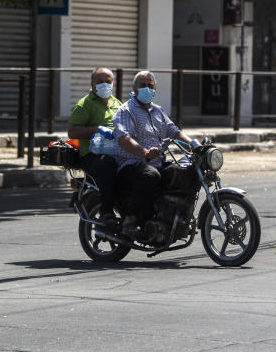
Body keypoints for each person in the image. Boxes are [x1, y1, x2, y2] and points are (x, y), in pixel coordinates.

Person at [112, 70, 194, 238]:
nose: (147, 89)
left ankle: (179, 216)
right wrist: (145, 152)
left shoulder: (158, 111)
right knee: (150, 175)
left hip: (156, 162)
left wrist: (195, 146)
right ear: (134, 88)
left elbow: (175, 132)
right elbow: (124, 139)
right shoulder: (126, 110)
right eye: (143, 85)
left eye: (150, 86)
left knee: (186, 170)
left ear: (155, 88)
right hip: (131, 164)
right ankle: (130, 219)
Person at [67, 67, 121, 226]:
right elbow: (72, 132)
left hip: (117, 151)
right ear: (92, 85)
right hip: (92, 155)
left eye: (108, 81)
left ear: (113, 83)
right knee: (108, 165)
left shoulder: (117, 104)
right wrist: (96, 129)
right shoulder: (84, 104)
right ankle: (106, 212)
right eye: (100, 82)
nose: (104, 84)